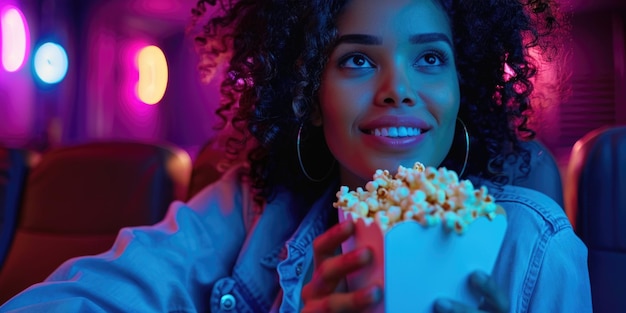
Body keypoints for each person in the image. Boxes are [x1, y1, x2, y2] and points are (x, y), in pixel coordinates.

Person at [1, 0, 591, 312]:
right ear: (311, 96)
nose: (398, 88)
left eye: (431, 59)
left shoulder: (533, 247)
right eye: (357, 60)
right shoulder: (250, 212)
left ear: (463, 86)